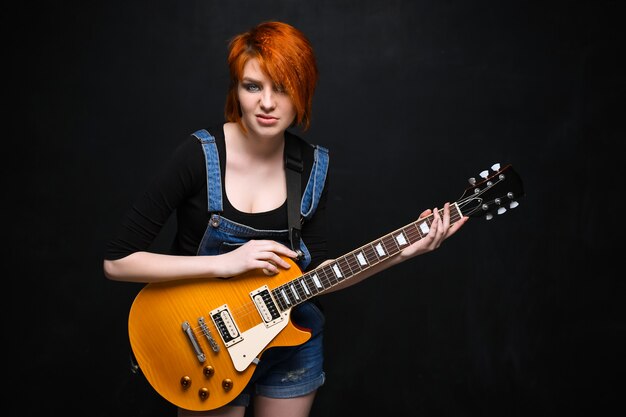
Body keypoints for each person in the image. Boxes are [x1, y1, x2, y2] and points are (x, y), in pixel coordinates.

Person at [103, 20, 467, 417]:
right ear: (236, 90)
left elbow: (320, 275)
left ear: (303, 92)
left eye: (283, 88)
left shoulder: (313, 165)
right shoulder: (198, 155)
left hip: (292, 344)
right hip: (207, 343)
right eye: (253, 86)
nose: (267, 103)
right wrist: (226, 263)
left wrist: (402, 253)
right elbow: (118, 262)